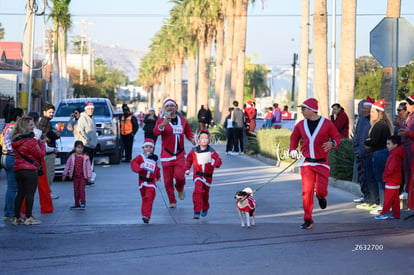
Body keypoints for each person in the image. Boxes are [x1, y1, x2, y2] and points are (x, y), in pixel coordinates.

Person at [289, 98, 341, 229]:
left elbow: (336, 137)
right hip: (306, 163)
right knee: (307, 192)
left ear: (312, 110)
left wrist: (332, 143)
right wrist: (292, 150)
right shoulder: (300, 125)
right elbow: (294, 138)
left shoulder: (327, 124)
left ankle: (321, 197)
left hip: (322, 163)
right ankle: (308, 219)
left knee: (321, 191)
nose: (301, 111)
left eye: (303, 109)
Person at [154, 98, 196, 208]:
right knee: (168, 181)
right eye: (167, 106)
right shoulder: (161, 120)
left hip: (180, 155)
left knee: (180, 177)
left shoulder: (182, 120)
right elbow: (156, 132)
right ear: (164, 108)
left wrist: (191, 138)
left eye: (172, 106)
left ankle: (180, 189)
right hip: (166, 156)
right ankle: (172, 200)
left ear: (176, 107)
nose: (169, 108)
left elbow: (188, 131)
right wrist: (163, 124)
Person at [11, 116, 46, 225]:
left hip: (18, 169)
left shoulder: (15, 141)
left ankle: (17, 217)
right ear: (25, 127)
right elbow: (40, 154)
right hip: (30, 170)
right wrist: (42, 144)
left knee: (20, 193)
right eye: (31, 125)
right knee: (30, 194)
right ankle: (29, 216)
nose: (33, 127)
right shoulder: (30, 141)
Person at [362, 99, 393, 215]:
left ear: (379, 113)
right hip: (379, 154)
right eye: (371, 112)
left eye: (373, 112)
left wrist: (367, 141)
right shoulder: (381, 124)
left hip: (379, 155)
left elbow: (374, 141)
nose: (371, 114)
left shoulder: (380, 125)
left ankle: (382, 205)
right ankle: (383, 205)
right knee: (380, 180)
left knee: (380, 181)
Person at [185, 129, 222, 219]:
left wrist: (214, 163)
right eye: (202, 138)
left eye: (206, 138)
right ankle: (196, 211)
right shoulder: (194, 151)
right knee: (198, 191)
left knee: (205, 194)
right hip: (198, 175)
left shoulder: (212, 152)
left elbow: (218, 161)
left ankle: (205, 207)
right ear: (198, 140)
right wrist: (187, 169)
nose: (204, 140)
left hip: (208, 177)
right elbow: (188, 160)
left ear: (209, 140)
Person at [25, 111, 53, 214]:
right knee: (43, 185)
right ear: (36, 121)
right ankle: (46, 207)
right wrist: (52, 149)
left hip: (26, 160)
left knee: (26, 187)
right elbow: (43, 148)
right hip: (38, 161)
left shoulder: (21, 132)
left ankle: (23, 208)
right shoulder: (38, 133)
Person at [1, 108, 23, 221]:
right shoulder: (12, 128)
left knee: (11, 187)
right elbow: (10, 146)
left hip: (5, 157)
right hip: (11, 158)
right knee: (12, 188)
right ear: (18, 117)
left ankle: (8, 212)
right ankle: (10, 213)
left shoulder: (6, 126)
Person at [130, 138, 161, 223]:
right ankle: (144, 214)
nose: (148, 149)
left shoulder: (154, 159)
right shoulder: (141, 157)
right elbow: (133, 163)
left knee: (149, 197)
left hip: (151, 183)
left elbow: (157, 169)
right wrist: (140, 167)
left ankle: (146, 215)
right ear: (143, 148)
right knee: (144, 198)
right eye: (146, 147)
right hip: (142, 183)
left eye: (151, 147)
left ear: (153, 149)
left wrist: (158, 176)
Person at [375, 135, 404, 220]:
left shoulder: (394, 154)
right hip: (396, 179)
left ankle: (384, 213)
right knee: (395, 199)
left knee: (387, 198)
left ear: (395, 145)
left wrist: (385, 175)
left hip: (391, 179)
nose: (387, 146)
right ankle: (396, 214)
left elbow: (391, 168)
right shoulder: (398, 153)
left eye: (389, 144)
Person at [352, 97, 374, 204]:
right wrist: (355, 148)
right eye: (362, 108)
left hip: (368, 154)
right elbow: (357, 134)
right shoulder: (361, 119)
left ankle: (371, 198)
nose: (363, 110)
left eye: (366, 108)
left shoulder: (373, 120)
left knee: (368, 177)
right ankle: (365, 195)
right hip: (359, 152)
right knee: (361, 176)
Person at [38, 103, 60, 199]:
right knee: (49, 172)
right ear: (44, 112)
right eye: (49, 112)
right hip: (48, 151)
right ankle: (47, 192)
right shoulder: (44, 121)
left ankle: (47, 191)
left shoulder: (45, 121)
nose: (51, 114)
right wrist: (55, 135)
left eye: (52, 112)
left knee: (49, 172)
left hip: (49, 150)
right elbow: (45, 135)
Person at [62, 141, 92, 210]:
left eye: (81, 148)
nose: (80, 149)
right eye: (78, 147)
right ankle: (77, 203)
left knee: (81, 190)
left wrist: (89, 176)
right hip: (75, 177)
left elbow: (88, 168)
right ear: (75, 148)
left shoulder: (86, 158)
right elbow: (67, 166)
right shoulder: (72, 157)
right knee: (76, 190)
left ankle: (83, 202)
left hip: (82, 177)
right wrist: (64, 174)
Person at [398, 95, 414, 199]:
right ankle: (407, 190)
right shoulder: (410, 116)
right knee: (407, 169)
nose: (406, 105)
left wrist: (409, 133)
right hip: (406, 146)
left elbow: (411, 132)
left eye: (408, 104)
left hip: (411, 147)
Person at [77, 102, 97, 184]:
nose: (91, 110)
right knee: (85, 163)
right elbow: (80, 130)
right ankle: (83, 179)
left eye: (92, 109)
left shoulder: (92, 118)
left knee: (89, 163)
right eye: (89, 109)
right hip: (85, 145)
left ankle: (87, 179)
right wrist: (86, 139)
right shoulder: (83, 118)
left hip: (92, 145)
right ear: (86, 109)